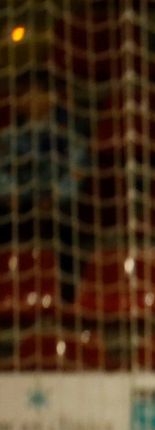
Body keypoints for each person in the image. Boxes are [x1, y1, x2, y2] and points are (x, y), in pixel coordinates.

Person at [0, 72, 89, 303]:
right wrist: (10, 192)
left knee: (70, 223)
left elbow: (77, 171)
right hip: (22, 202)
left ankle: (69, 298)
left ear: (48, 96)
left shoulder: (67, 131)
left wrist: (56, 196)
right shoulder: (11, 136)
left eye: (26, 93)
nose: (20, 100)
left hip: (58, 203)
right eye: (18, 95)